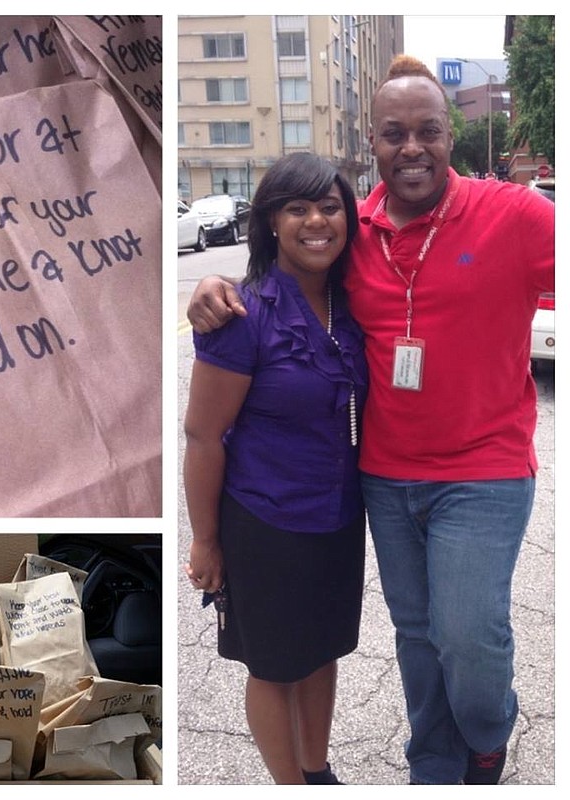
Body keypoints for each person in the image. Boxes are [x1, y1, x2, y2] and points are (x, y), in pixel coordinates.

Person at [186, 55, 555, 786]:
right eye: (393, 133)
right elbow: (278, 289)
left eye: (428, 131)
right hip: (372, 481)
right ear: (373, 142)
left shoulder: (512, 214)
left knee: (465, 639)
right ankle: (433, 761)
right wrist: (211, 286)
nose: (411, 146)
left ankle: (484, 730)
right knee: (415, 638)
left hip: (477, 472)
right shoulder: (359, 238)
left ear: (453, 136)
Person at [183, 152, 369, 785]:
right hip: (266, 523)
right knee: (275, 667)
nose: (316, 221)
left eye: (330, 206)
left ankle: (317, 773)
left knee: (321, 654)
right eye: (297, 208)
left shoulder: (351, 306)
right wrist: (206, 540)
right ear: (269, 222)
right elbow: (203, 437)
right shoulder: (243, 313)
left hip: (340, 516)